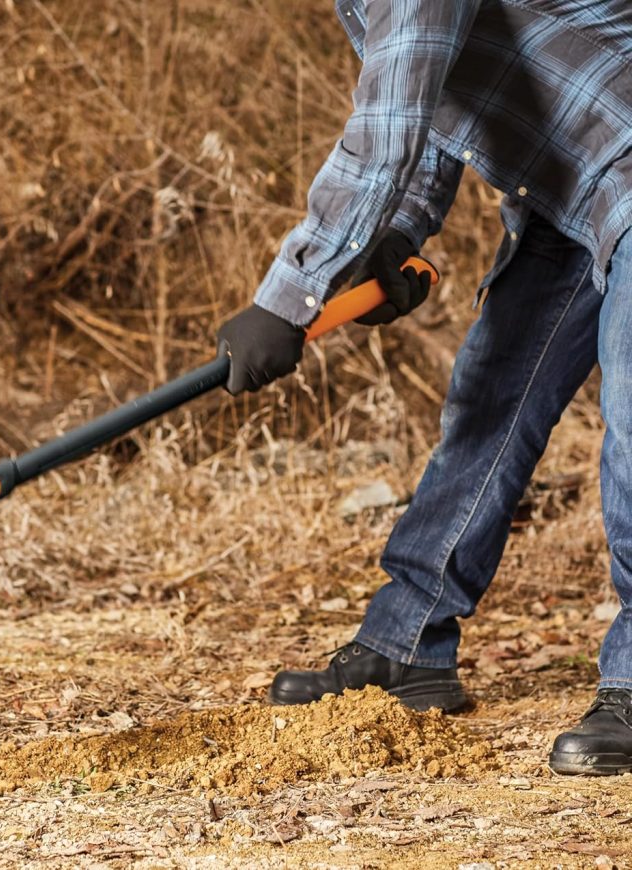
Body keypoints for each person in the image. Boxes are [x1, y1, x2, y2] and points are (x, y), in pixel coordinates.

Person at [217, 0, 632, 776]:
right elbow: (436, 108)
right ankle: (407, 647)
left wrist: (290, 298)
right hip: (570, 195)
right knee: (489, 401)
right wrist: (396, 235)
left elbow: (387, 127)